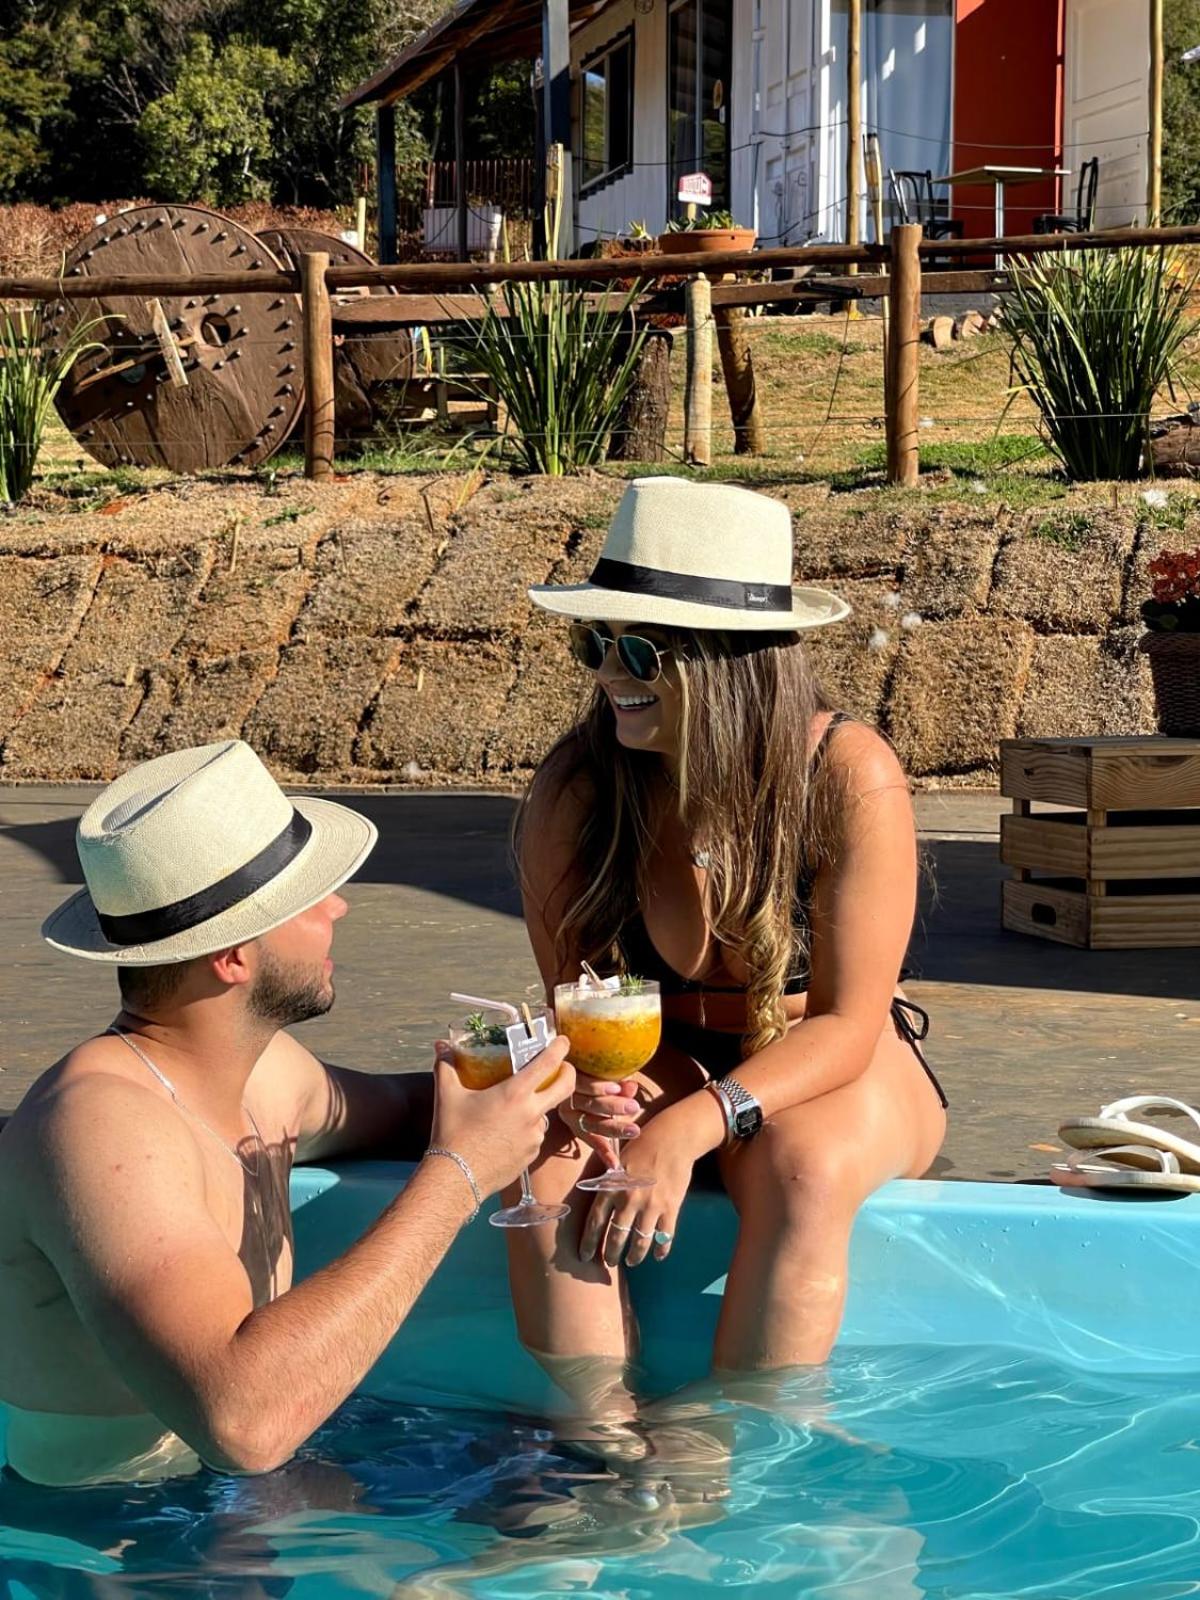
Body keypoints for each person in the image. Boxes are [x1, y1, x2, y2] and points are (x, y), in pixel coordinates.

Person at [0, 740, 572, 1488]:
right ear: (234, 956)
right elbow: (244, 1427)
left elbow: (413, 1110)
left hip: (232, 1502)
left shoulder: (266, 1075)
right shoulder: (100, 1129)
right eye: (309, 897)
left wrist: (555, 1090)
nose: (339, 907)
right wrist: (459, 1175)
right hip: (112, 1530)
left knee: (549, 1478)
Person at [511, 477, 947, 1399]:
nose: (608, 673)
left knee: (802, 1168)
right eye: (595, 642)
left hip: (822, 1057)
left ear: (731, 660)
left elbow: (848, 1024)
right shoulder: (578, 789)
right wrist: (603, 1101)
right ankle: (596, 1439)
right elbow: (576, 1004)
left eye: (638, 648)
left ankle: (737, 1450)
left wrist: (692, 1126)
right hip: (656, 1052)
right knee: (549, 1165)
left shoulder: (846, 775)